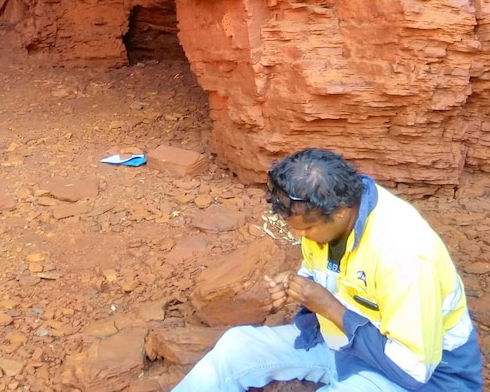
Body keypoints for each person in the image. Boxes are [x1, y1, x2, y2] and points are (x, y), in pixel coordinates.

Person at [173, 148, 483, 391]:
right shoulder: (328, 216)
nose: (299, 237)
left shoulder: (404, 254)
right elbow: (323, 271)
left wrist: (328, 306)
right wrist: (298, 286)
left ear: (340, 212)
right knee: (237, 348)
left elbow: (414, 370)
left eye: (306, 230)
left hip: (423, 378)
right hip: (345, 347)